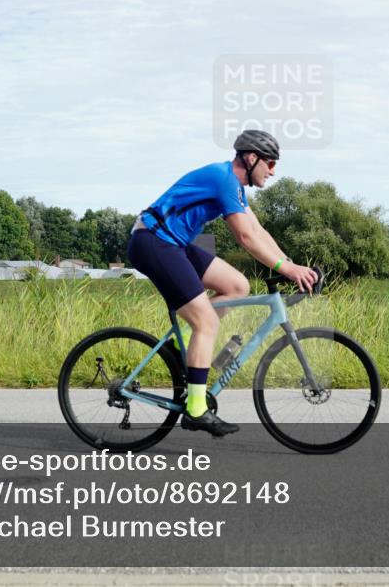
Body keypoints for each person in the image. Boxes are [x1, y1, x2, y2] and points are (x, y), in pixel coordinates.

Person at [127, 130, 318, 437]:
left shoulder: (235, 187)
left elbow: (258, 231)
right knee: (206, 322)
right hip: (153, 242)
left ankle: (180, 344)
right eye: (270, 163)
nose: (273, 171)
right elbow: (244, 236)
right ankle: (196, 410)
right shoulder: (224, 180)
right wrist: (287, 269)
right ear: (252, 158)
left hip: (174, 243)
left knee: (237, 286)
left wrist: (290, 266)